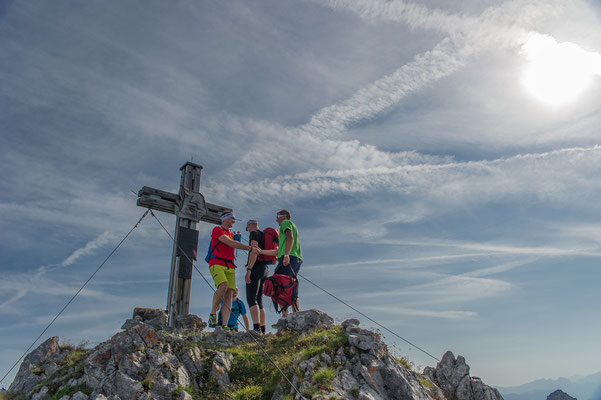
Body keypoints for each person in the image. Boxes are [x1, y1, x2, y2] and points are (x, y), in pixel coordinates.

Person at [207, 211, 256, 330]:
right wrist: (250, 248)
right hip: (217, 263)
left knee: (229, 294)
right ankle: (213, 313)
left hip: (230, 265)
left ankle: (224, 325)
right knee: (223, 285)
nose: (234, 221)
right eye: (232, 218)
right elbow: (229, 243)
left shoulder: (231, 233)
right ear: (225, 219)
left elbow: (233, 243)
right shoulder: (217, 230)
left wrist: (237, 240)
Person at [258, 209, 302, 317]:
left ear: (283, 216)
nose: (276, 220)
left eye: (277, 217)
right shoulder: (292, 225)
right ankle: (296, 315)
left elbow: (290, 238)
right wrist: (261, 251)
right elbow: (278, 251)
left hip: (288, 257)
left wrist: (286, 255)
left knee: (279, 285)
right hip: (295, 257)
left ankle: (285, 317)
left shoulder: (285, 223)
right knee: (291, 285)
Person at [245, 219, 273, 333]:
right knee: (259, 300)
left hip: (256, 268)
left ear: (249, 226)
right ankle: (263, 329)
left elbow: (255, 250)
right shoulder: (263, 235)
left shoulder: (254, 233)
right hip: (265, 269)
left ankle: (256, 329)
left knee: (251, 299)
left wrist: (249, 269)